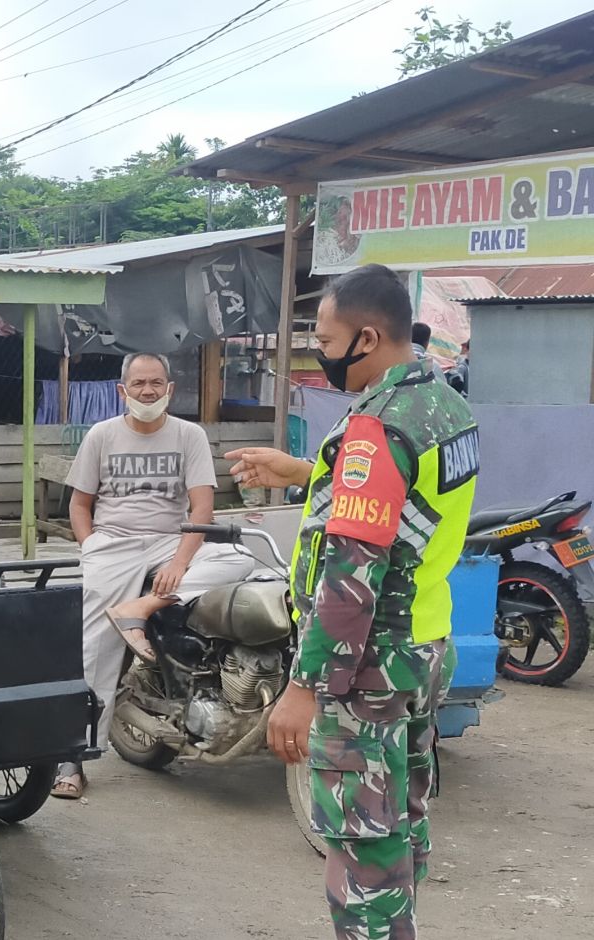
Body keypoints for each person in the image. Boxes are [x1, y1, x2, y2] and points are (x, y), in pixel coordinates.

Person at [226, 263, 479, 939]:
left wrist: (303, 687)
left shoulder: (378, 425)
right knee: (400, 825)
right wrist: (304, 471)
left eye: (326, 341)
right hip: (424, 644)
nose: (322, 355)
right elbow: (402, 503)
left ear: (367, 338)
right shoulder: (442, 403)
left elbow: (351, 577)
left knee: (363, 847)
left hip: (367, 667)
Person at [51, 352, 255, 800]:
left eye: (156, 383)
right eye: (139, 384)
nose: (148, 391)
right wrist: (91, 548)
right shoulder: (102, 435)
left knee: (241, 557)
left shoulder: (189, 435)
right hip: (113, 543)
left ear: (170, 389)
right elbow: (79, 505)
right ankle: (74, 757)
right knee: (95, 648)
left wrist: (179, 563)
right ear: (122, 390)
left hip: (169, 541)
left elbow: (202, 508)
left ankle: (141, 608)